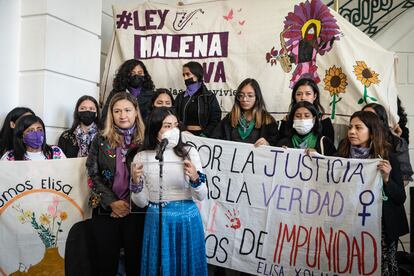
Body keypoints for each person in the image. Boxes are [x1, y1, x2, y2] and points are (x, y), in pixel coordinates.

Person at [130, 107, 208, 275]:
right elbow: (141, 202)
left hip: (186, 220)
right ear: (155, 128)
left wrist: (195, 178)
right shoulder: (142, 157)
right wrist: (136, 183)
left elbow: (202, 195)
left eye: (175, 125)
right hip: (157, 221)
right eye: (167, 126)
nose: (173, 130)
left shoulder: (189, 152)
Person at [337, 111, 409, 275]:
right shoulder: (341, 156)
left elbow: (400, 198)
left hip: (380, 228)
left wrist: (387, 179)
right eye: (350, 127)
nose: (352, 131)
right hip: (349, 226)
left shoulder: (388, 158)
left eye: (358, 128)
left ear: (372, 131)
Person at [86, 92, 146, 276]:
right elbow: (92, 174)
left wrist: (130, 204)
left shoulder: (146, 141)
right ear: (111, 114)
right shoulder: (100, 139)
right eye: (117, 111)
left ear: (136, 112)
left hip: (136, 211)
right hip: (106, 210)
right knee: (105, 263)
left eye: (127, 110)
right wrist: (112, 202)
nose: (122, 115)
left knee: (135, 262)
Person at [211, 78, 279, 146]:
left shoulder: (268, 121)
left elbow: (277, 146)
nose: (244, 99)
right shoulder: (229, 119)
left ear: (257, 98)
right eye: (241, 95)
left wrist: (268, 144)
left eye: (250, 95)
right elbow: (214, 139)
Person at [362, 103, 413, 185]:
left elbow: (405, 178)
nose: (367, 121)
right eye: (363, 117)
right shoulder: (355, 141)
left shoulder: (397, 142)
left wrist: (387, 183)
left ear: (381, 121)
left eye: (371, 117)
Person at [279, 78, 334, 142]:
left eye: (308, 94)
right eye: (299, 94)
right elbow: (279, 145)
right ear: (294, 97)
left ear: (315, 96)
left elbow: (329, 149)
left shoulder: (324, 122)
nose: (303, 98)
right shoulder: (287, 120)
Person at [174, 61, 221, 136]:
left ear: (197, 75)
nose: (185, 78)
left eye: (188, 74)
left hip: (203, 137)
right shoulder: (180, 97)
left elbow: (215, 119)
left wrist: (205, 134)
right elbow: (174, 116)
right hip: (184, 135)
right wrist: (182, 131)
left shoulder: (209, 97)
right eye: (183, 75)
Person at [101, 59, 155, 124]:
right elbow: (105, 117)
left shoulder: (152, 95)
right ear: (125, 75)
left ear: (145, 75)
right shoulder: (115, 93)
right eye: (132, 73)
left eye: (140, 73)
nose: (136, 76)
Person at [1, 115, 65, 160]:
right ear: (22, 136)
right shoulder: (10, 157)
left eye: (39, 130)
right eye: (31, 131)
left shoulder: (55, 152)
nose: (36, 133)